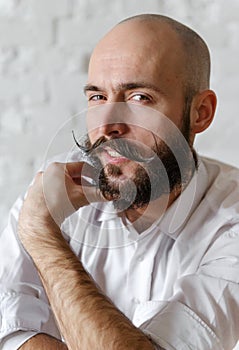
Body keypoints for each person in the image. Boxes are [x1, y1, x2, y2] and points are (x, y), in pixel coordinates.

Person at [1, 13, 239, 350]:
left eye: (139, 98)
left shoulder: (230, 223)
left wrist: (42, 237)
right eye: (98, 97)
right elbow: (11, 329)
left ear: (200, 112)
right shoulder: (53, 192)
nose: (107, 125)